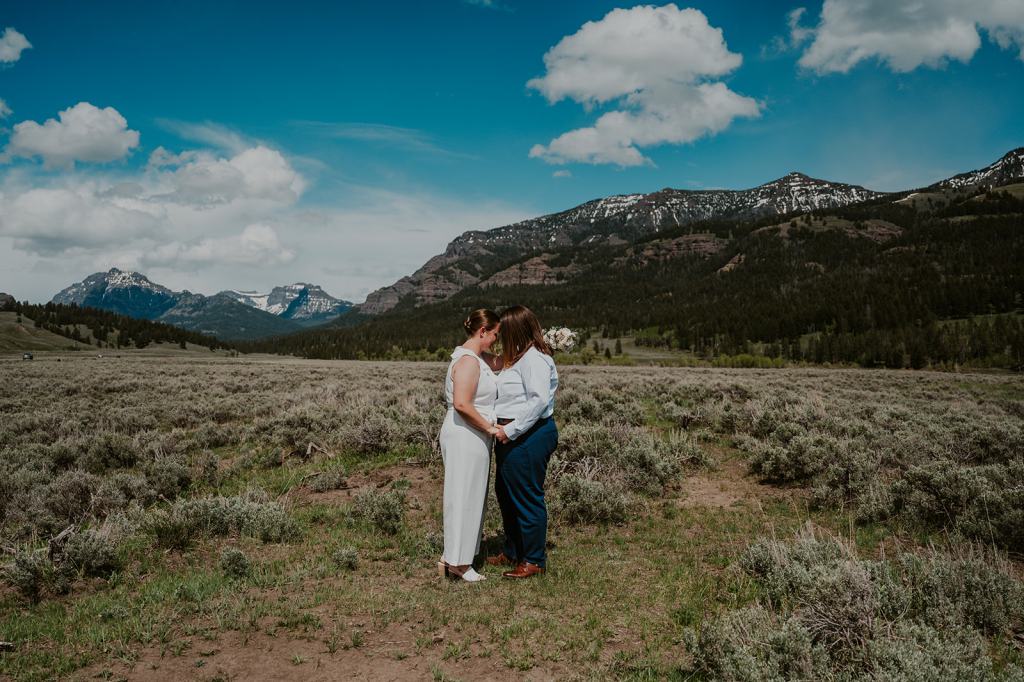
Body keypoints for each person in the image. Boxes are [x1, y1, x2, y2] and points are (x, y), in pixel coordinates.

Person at [489, 305, 559, 579]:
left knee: (527, 496)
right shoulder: (518, 358)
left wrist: (511, 430)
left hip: (529, 435)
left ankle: (533, 560)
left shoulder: (534, 360)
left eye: (504, 330)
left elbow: (539, 400)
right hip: (515, 434)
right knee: (506, 494)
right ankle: (514, 550)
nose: (500, 336)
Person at [438, 309, 502, 582]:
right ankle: (458, 563)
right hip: (466, 434)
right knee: (463, 494)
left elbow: (501, 362)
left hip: (472, 434)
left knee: (471, 494)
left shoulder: (475, 358)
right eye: (495, 335)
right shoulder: (468, 362)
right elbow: (462, 403)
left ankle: (458, 557)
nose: (496, 340)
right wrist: (489, 427)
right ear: (483, 331)